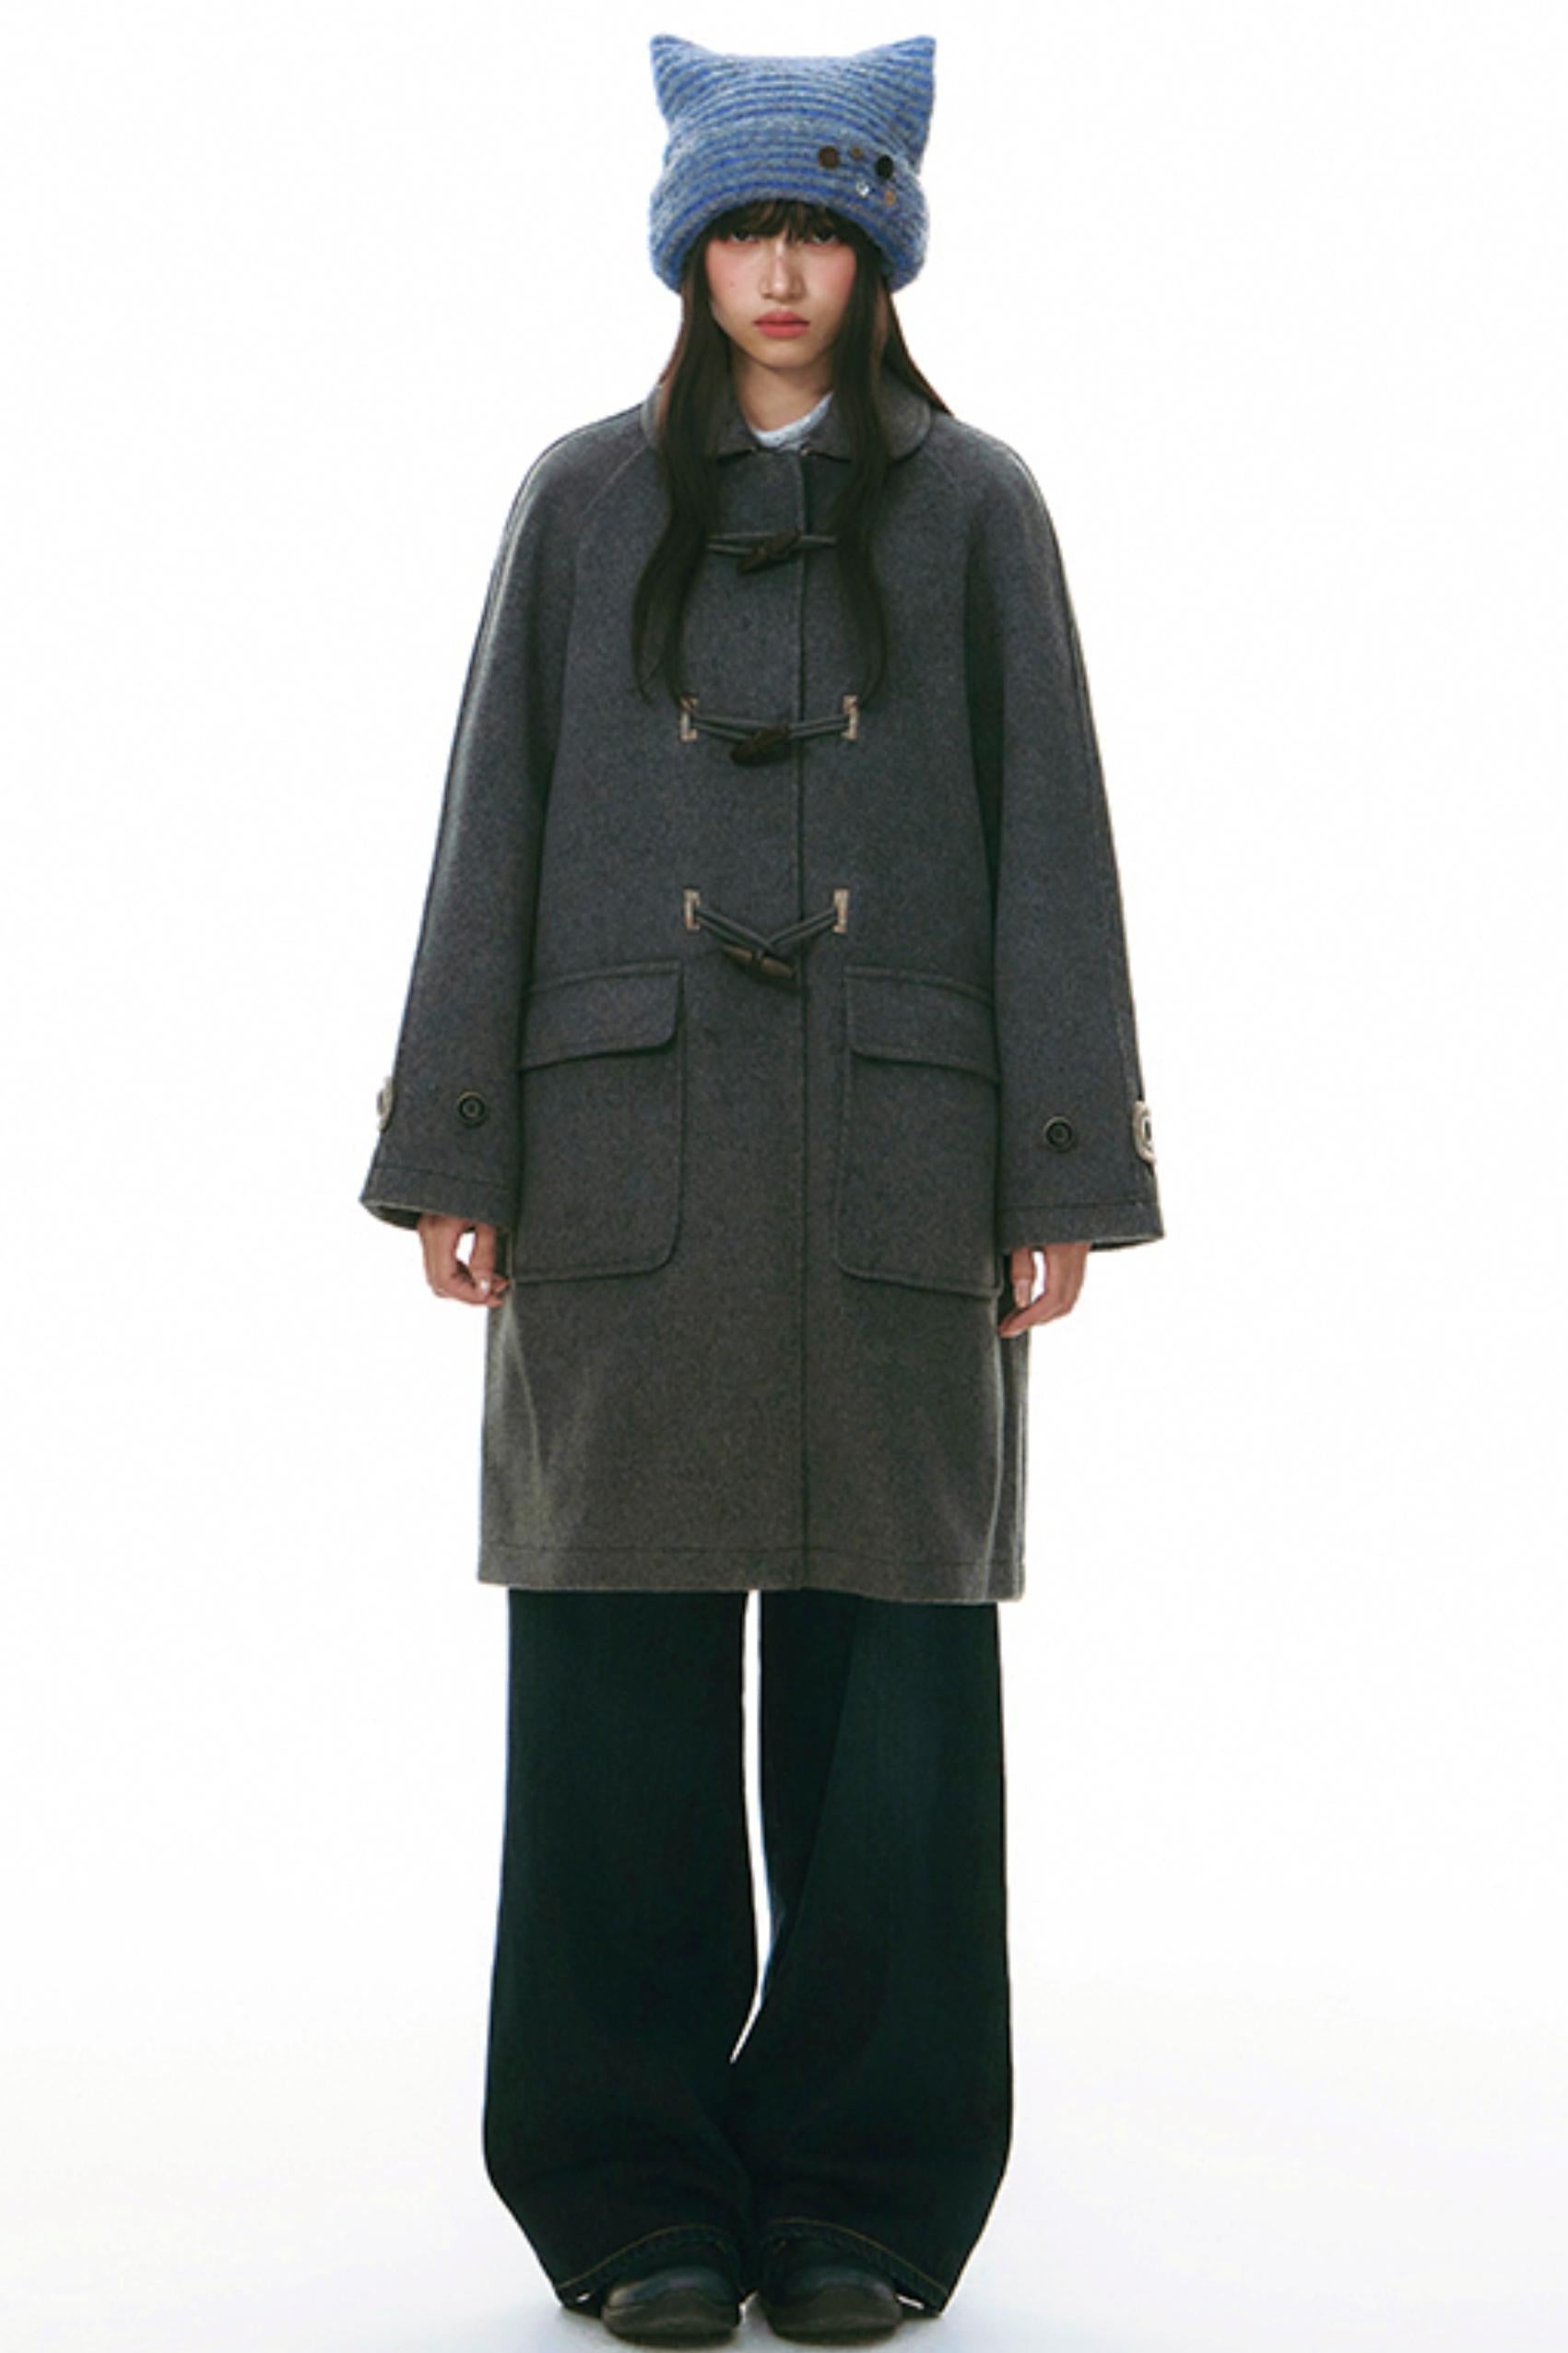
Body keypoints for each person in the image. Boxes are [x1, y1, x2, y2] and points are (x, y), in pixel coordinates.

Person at [359, 30, 1164, 2347]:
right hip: (619, 1153)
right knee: (608, 1682)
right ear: (687, 250)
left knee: (891, 1691)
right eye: (742, 228)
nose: (782, 270)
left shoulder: (977, 506)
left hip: (901, 1155)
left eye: (817, 225)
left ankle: (862, 2195)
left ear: (880, 245)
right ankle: (626, 2193)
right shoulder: (578, 503)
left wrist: (1058, 1161)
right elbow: (490, 818)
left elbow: (1052, 843)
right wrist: (455, 1142)